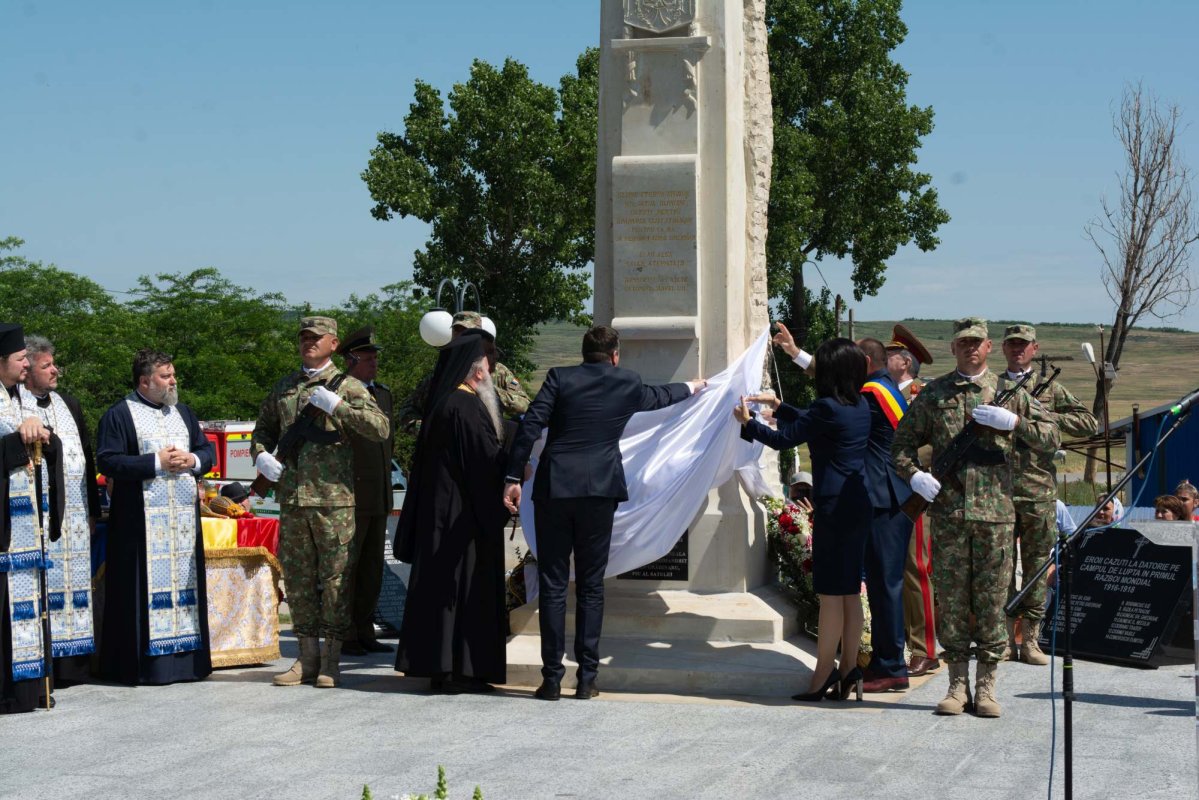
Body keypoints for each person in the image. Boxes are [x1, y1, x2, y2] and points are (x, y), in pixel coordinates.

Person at [503, 325, 701, 701]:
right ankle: (588, 679)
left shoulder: (559, 378)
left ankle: (550, 679)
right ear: (615, 355)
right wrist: (694, 387)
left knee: (553, 584)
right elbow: (660, 397)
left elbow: (531, 424)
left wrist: (513, 475)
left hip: (555, 490)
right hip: (598, 493)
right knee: (591, 585)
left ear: (583, 352)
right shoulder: (626, 382)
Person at [892, 317, 1058, 718]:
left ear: (988, 348)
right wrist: (914, 476)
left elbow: (1052, 437)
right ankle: (955, 685)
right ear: (953, 348)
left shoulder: (1007, 392)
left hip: (997, 516)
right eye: (964, 342)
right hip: (949, 515)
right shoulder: (934, 394)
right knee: (951, 601)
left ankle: (986, 687)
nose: (971, 348)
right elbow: (900, 444)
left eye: (978, 343)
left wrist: (1016, 422)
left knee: (991, 603)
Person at [252, 316, 389, 689]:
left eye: (316, 338)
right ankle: (305, 659)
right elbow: (263, 428)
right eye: (303, 338)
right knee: (297, 583)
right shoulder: (285, 387)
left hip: (334, 501)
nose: (308, 343)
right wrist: (261, 453)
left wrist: (339, 407)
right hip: (294, 501)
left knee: (335, 583)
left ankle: (331, 660)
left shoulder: (349, 386)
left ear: (333, 344)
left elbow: (380, 428)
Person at [740, 338, 871, 702]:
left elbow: (784, 441)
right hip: (857, 505)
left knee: (830, 595)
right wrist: (781, 406)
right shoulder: (858, 406)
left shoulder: (826, 407)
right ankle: (848, 669)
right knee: (849, 594)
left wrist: (748, 423)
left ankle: (821, 674)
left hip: (833, 507)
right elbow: (817, 425)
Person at [394, 332, 510, 692]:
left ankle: (439, 667)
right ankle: (464, 670)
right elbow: (484, 464)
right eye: (488, 364)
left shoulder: (443, 403)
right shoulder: (468, 406)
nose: (490, 371)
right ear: (477, 370)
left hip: (438, 514)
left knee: (439, 589)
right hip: (464, 518)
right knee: (464, 590)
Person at [96, 349, 216, 686]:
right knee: (141, 592)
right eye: (166, 376)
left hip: (183, 526)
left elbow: (208, 451)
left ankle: (187, 664)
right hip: (140, 526)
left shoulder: (184, 413)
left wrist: (191, 459)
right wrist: (155, 463)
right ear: (145, 381)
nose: (173, 381)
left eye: (173, 374)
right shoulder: (120, 414)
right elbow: (108, 461)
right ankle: (146, 668)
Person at [999, 324, 1098, 667]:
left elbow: (1089, 422)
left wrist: (1045, 416)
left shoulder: (1051, 389)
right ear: (1003, 349)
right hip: (998, 490)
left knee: (1037, 568)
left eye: (1023, 345)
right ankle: (1004, 639)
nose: (1017, 350)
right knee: (1000, 567)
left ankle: (1031, 641)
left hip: (1039, 490)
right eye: (1012, 344)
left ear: (1034, 348)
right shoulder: (992, 386)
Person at [20, 335, 100, 685]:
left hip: (77, 515)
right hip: (39, 516)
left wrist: (95, 512)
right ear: (27, 372)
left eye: (54, 364)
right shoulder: (15, 404)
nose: (55, 371)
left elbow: (87, 454)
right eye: (46, 365)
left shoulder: (69, 403)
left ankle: (75, 667)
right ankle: (46, 663)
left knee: (76, 588)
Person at [0, 323, 58, 713]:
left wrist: (42, 433)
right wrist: (19, 438)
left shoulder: (19, 396)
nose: (27, 365)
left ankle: (29, 687)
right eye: (21, 359)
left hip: (26, 521)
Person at [853, 337, 916, 693]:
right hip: (890, 496)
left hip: (884, 498)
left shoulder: (872, 394)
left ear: (864, 361)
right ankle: (888, 661)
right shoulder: (885, 388)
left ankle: (890, 665)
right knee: (884, 583)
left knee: (885, 585)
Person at [336, 326, 396, 656]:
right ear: (350, 360)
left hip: (378, 494)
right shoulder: (341, 394)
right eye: (367, 358)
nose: (374, 363)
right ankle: (347, 632)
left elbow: (389, 444)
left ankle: (365, 629)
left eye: (375, 358)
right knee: (351, 566)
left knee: (372, 568)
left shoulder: (383, 394)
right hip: (352, 495)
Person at [885, 324, 940, 678]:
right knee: (892, 571)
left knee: (916, 569)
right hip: (885, 490)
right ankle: (903, 640)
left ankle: (926, 648)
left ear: (905, 361)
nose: (882, 359)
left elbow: (937, 442)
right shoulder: (879, 392)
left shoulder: (923, 396)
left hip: (913, 491)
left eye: (889, 354)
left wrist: (901, 462)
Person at [398, 311, 530, 434]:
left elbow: (526, 406)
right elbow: (406, 411)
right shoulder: (440, 375)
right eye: (457, 331)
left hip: (489, 447)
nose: (462, 337)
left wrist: (490, 392)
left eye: (468, 333)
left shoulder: (497, 370)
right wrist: (432, 429)